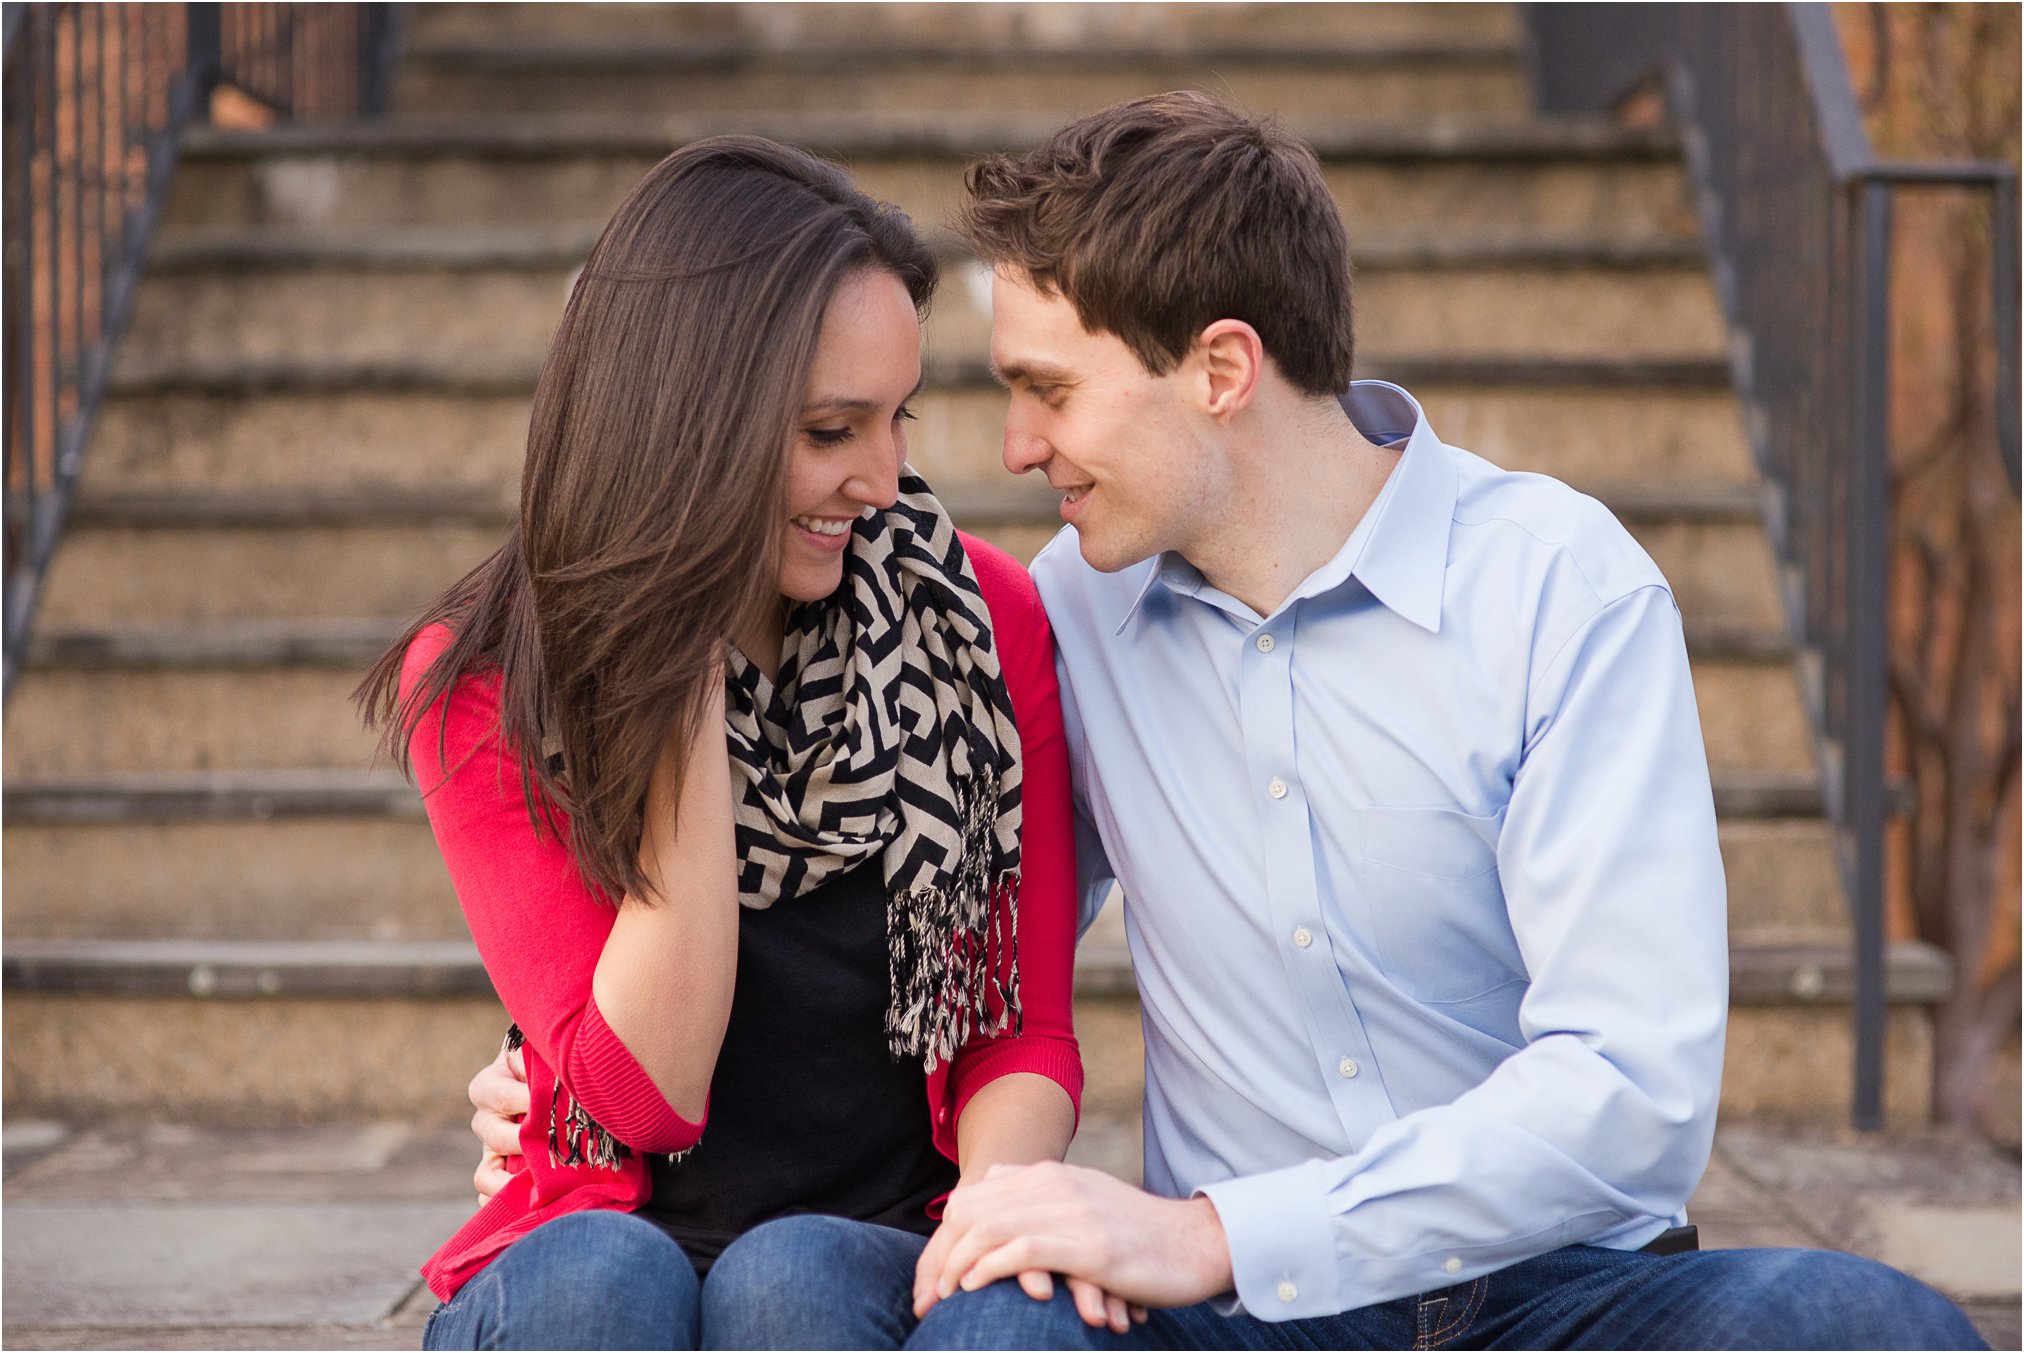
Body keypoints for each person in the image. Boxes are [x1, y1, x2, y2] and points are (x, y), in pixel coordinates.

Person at [471, 99, 1987, 1350]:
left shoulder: (1557, 589)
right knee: (973, 1318)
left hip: (1561, 1291)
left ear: (1219, 370)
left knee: (1862, 1321)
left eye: (1046, 391)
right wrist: (549, 1070)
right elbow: (910, 924)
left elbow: (1634, 1097)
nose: (1009, 449)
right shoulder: (1055, 621)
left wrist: (1206, 1228)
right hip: (1237, 1320)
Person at [357, 136, 1091, 1351]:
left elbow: (1019, 1032)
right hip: (595, 1244)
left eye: (892, 420)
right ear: (683, 434)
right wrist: (679, 646)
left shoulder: (976, 619)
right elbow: (644, 1093)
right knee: (600, 1280)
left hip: (880, 1247)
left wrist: (984, 1233)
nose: (882, 478)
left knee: (793, 1279)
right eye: (828, 430)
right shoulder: (487, 680)